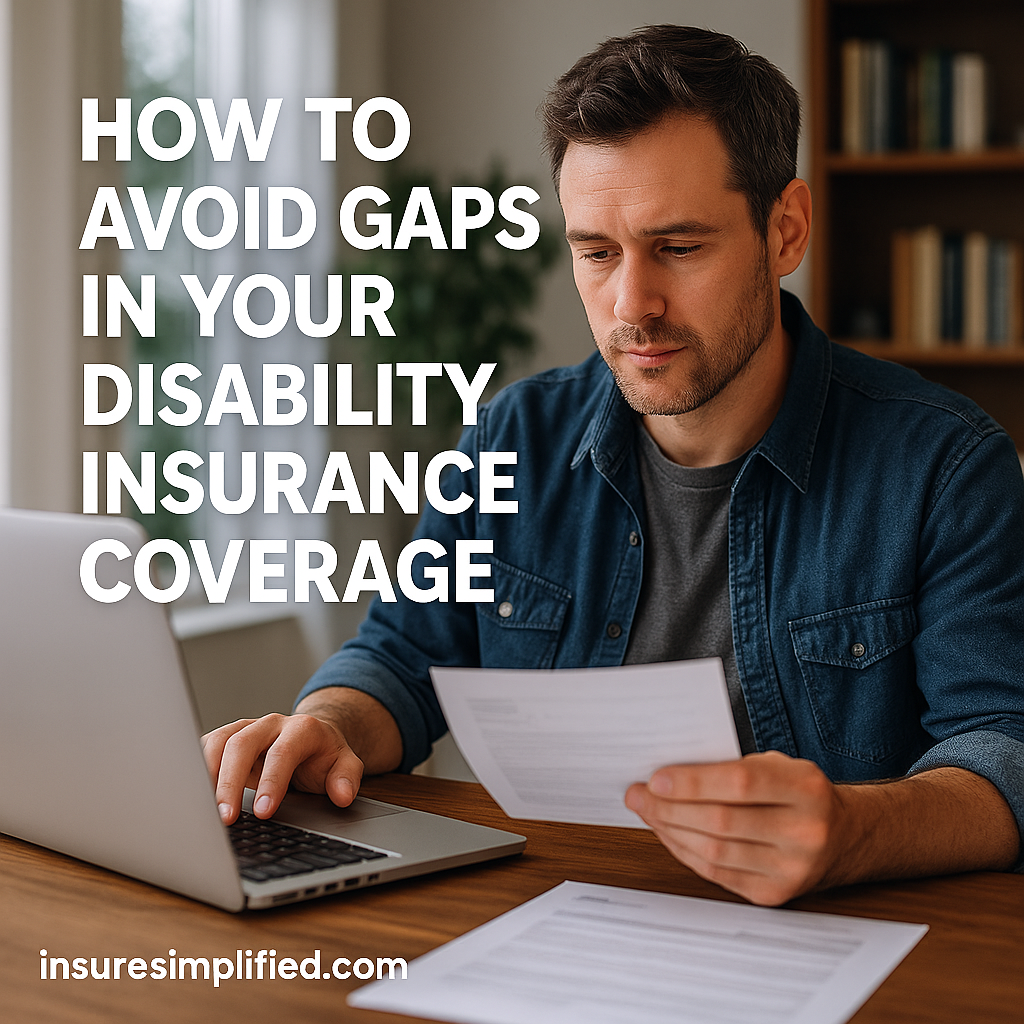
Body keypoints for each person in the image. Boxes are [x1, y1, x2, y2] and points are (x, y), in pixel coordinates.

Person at [203, 25, 1024, 906]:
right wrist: (327, 727)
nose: (632, 304)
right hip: (548, 921)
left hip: (833, 942)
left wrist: (858, 831)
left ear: (785, 231)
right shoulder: (510, 437)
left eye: (679, 247)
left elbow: (1002, 750)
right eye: (596, 252)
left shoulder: (947, 467)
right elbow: (402, 658)